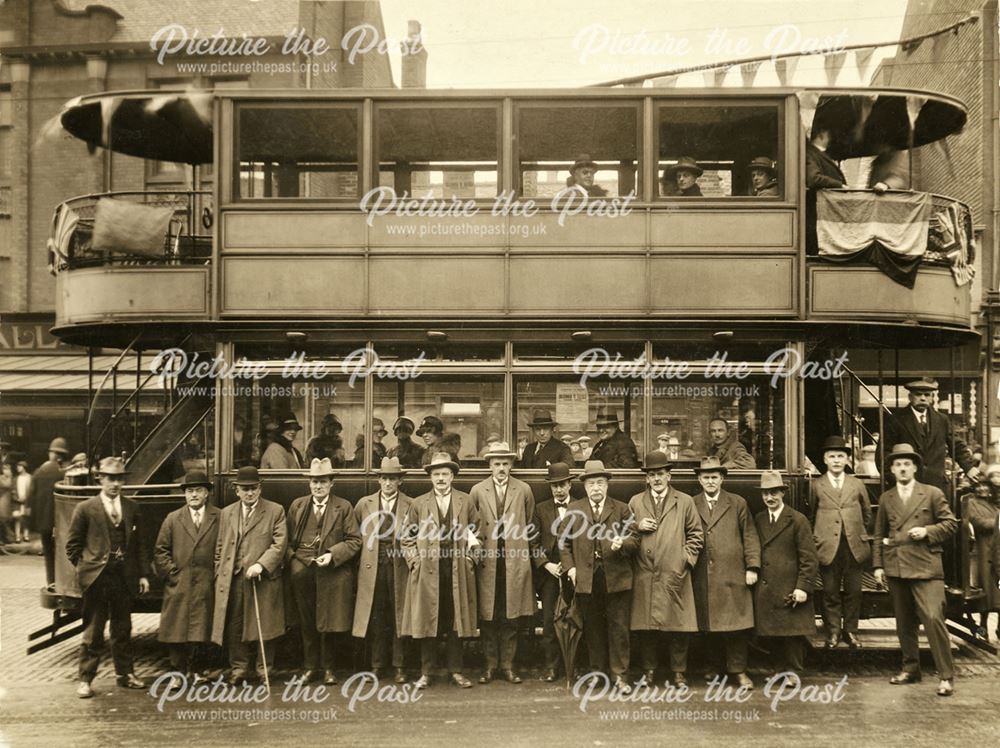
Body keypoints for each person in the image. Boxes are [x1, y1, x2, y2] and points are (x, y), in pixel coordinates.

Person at [873, 443, 958, 697]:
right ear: (891, 469)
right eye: (897, 464)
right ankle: (910, 668)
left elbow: (951, 524)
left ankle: (946, 676)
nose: (902, 468)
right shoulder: (886, 498)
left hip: (926, 567)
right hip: (896, 565)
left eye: (907, 464)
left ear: (915, 468)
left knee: (933, 617)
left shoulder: (931, 493)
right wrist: (878, 565)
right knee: (904, 622)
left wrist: (927, 531)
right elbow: (878, 535)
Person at [65, 457, 150, 698]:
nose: (115, 484)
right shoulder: (85, 508)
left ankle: (125, 675)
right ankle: (85, 679)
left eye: (119, 479)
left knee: (123, 628)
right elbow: (72, 546)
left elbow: (140, 545)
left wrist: (143, 574)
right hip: (97, 579)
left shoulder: (132, 507)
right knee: (93, 631)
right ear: (100, 479)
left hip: (124, 577)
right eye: (110, 478)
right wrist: (86, 568)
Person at [400, 452, 480, 689]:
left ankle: (456, 671)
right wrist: (415, 562)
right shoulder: (419, 504)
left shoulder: (465, 501)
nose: (441, 478)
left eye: (445, 474)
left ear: (453, 476)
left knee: (455, 620)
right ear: (430, 477)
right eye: (436, 474)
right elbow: (406, 538)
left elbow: (478, 533)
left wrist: (470, 558)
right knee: (428, 620)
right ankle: (427, 672)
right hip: (427, 572)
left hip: (456, 570)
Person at [558, 460, 637, 694]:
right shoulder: (575, 510)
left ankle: (620, 676)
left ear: (607, 485)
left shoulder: (621, 509)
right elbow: (563, 543)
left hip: (617, 578)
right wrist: (570, 568)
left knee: (619, 628)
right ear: (584, 486)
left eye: (600, 483)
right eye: (592, 483)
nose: (596, 488)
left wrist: (623, 543)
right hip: (586, 579)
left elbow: (635, 540)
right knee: (592, 629)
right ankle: (596, 674)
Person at [629, 451, 703, 688]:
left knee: (678, 627)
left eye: (660, 474)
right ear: (647, 478)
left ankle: (679, 672)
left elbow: (696, 535)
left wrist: (684, 560)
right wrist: (637, 526)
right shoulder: (636, 502)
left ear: (669, 476)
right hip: (645, 572)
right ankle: (649, 671)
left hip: (674, 572)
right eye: (652, 475)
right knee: (647, 628)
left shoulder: (684, 501)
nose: (657, 479)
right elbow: (625, 534)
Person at [286, 458, 361, 685]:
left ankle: (329, 668)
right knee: (306, 621)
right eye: (314, 482)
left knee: (327, 621)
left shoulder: (343, 506)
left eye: (322, 482)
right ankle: (310, 667)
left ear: (331, 483)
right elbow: (286, 542)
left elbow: (355, 540)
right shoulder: (298, 506)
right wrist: (296, 562)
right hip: (303, 571)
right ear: (309, 483)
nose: (318, 486)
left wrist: (331, 554)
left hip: (331, 572)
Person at [212, 466, 287, 685]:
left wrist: (261, 565)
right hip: (233, 579)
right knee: (235, 625)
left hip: (262, 578)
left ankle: (265, 669)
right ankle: (239, 669)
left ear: (260, 488)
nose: (249, 493)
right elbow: (219, 547)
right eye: (244, 489)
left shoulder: (275, 511)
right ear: (236, 490)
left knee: (264, 624)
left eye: (253, 488)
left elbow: (279, 544)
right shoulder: (227, 513)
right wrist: (221, 571)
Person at [690, 457, 760, 690]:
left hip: (731, 572)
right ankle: (713, 668)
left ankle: (738, 671)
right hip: (703, 573)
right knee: (709, 624)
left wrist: (752, 567)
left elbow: (749, 535)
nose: (710, 481)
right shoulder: (691, 503)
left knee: (736, 625)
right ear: (699, 480)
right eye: (706, 477)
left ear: (722, 479)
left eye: (714, 477)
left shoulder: (737, 503)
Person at [471, 442, 537, 685]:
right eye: (496, 463)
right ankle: (490, 666)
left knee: (511, 616)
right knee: (488, 616)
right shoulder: (478, 490)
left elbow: (530, 524)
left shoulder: (523, 490)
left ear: (511, 465)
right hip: (488, 561)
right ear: (489, 465)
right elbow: (472, 526)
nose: (501, 468)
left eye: (505, 464)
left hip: (513, 561)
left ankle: (508, 665)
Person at [153, 470, 220, 687]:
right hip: (179, 581)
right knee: (177, 627)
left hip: (207, 581)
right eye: (190, 491)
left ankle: (199, 671)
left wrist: (217, 574)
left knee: (202, 628)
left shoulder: (219, 517)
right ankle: (177, 673)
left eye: (198, 490)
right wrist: (172, 572)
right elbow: (160, 550)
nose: (193, 495)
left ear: (207, 493)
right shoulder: (173, 519)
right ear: (184, 494)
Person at [810, 436, 873, 650]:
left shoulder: (857, 484)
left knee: (854, 591)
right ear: (825, 460)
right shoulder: (816, 485)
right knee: (830, 591)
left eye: (840, 456)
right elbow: (810, 516)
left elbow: (867, 514)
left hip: (853, 545)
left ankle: (851, 631)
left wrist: (857, 532)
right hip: (828, 546)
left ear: (847, 459)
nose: (836, 460)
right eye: (832, 456)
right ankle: (833, 632)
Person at [753, 471, 819, 674]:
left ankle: (793, 672)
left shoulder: (797, 520)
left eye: (774, 493)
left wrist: (802, 587)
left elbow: (809, 558)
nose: (769, 498)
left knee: (792, 634)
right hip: (767, 586)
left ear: (783, 493)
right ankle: (778, 671)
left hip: (789, 585)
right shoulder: (759, 518)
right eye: (765, 494)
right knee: (772, 632)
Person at [353, 457, 412, 683]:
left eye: (393, 479)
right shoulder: (364, 504)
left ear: (400, 481)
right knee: (376, 615)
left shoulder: (410, 504)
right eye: (385, 478)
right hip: (373, 564)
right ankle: (377, 665)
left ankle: (400, 666)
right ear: (378, 479)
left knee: (399, 613)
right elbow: (357, 537)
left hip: (399, 563)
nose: (388, 483)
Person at [881, 378, 979, 492]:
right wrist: (896, 480)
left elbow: (956, 445)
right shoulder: (896, 420)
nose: (923, 398)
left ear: (932, 398)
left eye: (927, 395)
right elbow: (884, 453)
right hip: (906, 486)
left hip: (936, 485)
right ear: (910, 397)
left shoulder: (942, 420)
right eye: (918, 394)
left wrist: (968, 467)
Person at [532, 462, 574, 682]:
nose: (558, 489)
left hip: (575, 572)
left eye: (562, 484)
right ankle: (551, 667)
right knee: (549, 621)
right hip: (549, 574)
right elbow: (533, 542)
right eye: (554, 486)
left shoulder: (580, 506)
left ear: (570, 484)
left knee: (575, 619)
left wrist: (572, 567)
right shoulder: (540, 509)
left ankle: (572, 665)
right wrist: (546, 564)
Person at [965, 465, 1000, 640]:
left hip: (997, 550)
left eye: (985, 485)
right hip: (984, 551)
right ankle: (983, 627)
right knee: (986, 593)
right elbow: (978, 522)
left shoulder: (994, 503)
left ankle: (999, 628)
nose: (982, 488)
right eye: (979, 486)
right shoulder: (971, 503)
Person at [29, 437, 70, 587]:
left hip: (43, 522)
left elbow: (30, 496)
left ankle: (51, 581)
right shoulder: (64, 473)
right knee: (63, 552)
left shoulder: (39, 471)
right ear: (62, 456)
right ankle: (63, 581)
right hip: (60, 521)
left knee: (48, 553)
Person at [14, 461, 32, 542]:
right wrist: (16, 498)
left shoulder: (30, 478)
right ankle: (17, 536)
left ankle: (26, 535)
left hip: (27, 502)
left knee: (26, 518)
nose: (18, 468)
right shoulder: (15, 479)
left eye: (20, 466)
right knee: (17, 519)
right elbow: (13, 491)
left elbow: (32, 490)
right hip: (18, 502)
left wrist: (26, 497)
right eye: (18, 466)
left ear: (24, 467)